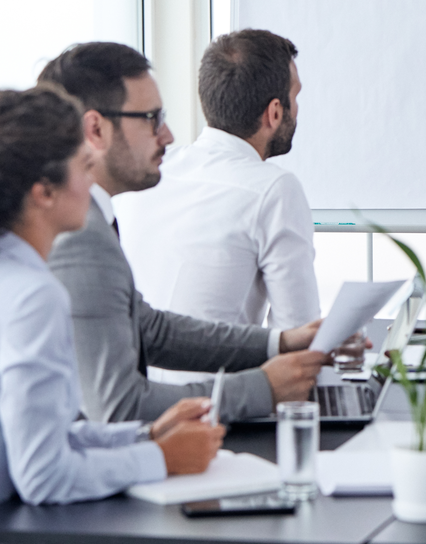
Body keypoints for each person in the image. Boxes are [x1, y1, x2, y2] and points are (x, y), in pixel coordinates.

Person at [0, 86, 224, 544]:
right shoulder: (32, 296)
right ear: (44, 191)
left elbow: (44, 435)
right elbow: (43, 475)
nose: (92, 183)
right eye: (85, 167)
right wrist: (163, 458)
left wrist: (144, 436)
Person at [40, 42, 330, 423]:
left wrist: (280, 343)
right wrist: (264, 388)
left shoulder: (95, 216)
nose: (168, 136)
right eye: (151, 118)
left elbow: (149, 329)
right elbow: (119, 408)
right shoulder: (78, 238)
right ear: (95, 129)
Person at [115, 29, 320, 384]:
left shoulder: (156, 169)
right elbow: (299, 342)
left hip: (133, 399)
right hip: (218, 413)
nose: (298, 108)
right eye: (295, 96)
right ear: (274, 112)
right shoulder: (274, 189)